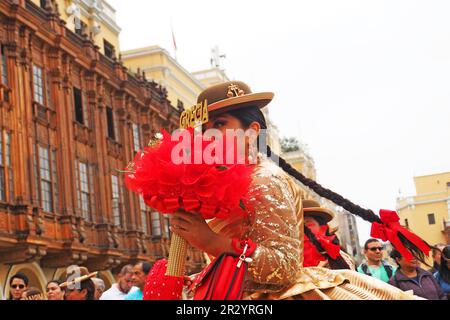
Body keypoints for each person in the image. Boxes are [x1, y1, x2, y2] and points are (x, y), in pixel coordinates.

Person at [168, 80, 427, 300]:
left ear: (251, 132)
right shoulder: (215, 183)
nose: (209, 135)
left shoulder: (264, 180)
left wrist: (213, 241)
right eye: (205, 128)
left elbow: (285, 267)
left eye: (220, 124)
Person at [302, 199, 354, 270]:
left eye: (307, 224)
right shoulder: (290, 255)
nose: (302, 229)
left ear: (321, 225)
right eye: (298, 225)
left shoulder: (344, 257)